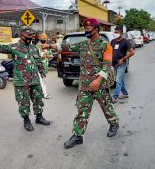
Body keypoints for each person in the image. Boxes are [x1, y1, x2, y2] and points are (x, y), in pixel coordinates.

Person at [49, 18, 119, 149]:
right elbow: (65, 46)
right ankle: (77, 136)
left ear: (96, 30)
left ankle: (114, 123)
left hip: (100, 85)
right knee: (82, 110)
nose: (86, 31)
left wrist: (98, 80)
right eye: (85, 29)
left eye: (88, 29)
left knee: (107, 106)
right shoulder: (83, 44)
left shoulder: (105, 46)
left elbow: (107, 65)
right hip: (85, 85)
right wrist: (49, 45)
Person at [0, 28, 50, 131]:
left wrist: (42, 72)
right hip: (21, 81)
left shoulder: (34, 48)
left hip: (34, 79)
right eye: (28, 37)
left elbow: (38, 61)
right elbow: (2, 48)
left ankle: (39, 117)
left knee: (38, 99)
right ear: (22, 36)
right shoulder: (14, 47)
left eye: (31, 37)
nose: (30, 39)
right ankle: (26, 120)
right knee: (23, 102)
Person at [111, 26, 135, 103]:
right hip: (114, 63)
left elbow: (132, 52)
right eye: (114, 32)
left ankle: (115, 97)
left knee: (118, 80)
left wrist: (123, 59)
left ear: (121, 33)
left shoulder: (125, 42)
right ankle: (125, 93)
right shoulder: (113, 41)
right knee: (120, 79)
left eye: (116, 32)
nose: (115, 34)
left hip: (122, 63)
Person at [37, 34, 53, 99]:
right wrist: (41, 56)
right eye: (41, 37)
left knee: (42, 80)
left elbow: (50, 56)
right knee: (42, 80)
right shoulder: (37, 46)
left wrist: (47, 56)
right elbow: (36, 55)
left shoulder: (47, 46)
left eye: (44, 38)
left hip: (45, 66)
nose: (43, 39)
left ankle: (41, 93)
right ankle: (44, 94)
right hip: (39, 65)